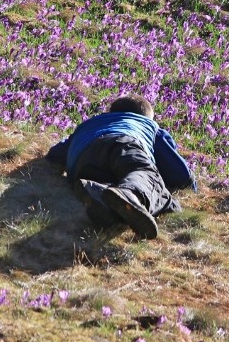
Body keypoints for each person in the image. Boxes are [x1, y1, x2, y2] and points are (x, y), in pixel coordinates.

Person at [46, 95, 196, 239]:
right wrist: (192, 186)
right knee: (146, 176)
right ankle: (132, 194)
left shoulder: (88, 124)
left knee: (111, 186)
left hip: (83, 161)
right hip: (124, 144)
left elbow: (54, 155)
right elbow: (181, 176)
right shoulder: (148, 125)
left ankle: (99, 196)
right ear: (146, 116)